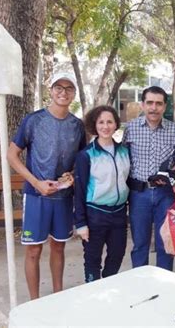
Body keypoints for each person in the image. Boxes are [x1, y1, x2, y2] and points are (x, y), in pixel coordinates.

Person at [7, 72, 86, 300]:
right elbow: (12, 155)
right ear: (50, 91)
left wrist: (71, 175)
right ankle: (34, 302)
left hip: (63, 198)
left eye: (68, 88)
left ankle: (57, 298)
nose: (63, 92)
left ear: (74, 94)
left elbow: (80, 161)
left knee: (59, 247)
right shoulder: (33, 120)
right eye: (58, 87)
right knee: (33, 250)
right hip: (35, 196)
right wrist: (36, 183)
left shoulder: (77, 126)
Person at [122, 86, 175, 270]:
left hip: (165, 195)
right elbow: (124, 158)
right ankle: (141, 285)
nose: (153, 108)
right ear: (143, 105)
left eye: (158, 103)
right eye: (149, 103)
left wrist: (172, 173)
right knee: (140, 244)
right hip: (138, 194)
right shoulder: (131, 129)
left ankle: (163, 287)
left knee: (165, 243)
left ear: (165, 106)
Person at [74, 106, 130, 283]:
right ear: (94, 125)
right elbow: (79, 190)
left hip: (119, 214)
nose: (105, 126)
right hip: (95, 215)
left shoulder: (124, 151)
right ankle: (93, 294)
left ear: (115, 125)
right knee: (92, 260)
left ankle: (107, 287)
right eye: (101, 122)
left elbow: (127, 180)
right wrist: (81, 223)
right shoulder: (86, 155)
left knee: (117, 256)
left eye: (109, 122)